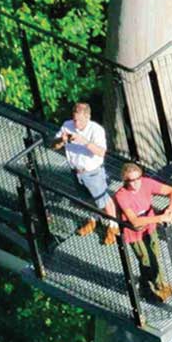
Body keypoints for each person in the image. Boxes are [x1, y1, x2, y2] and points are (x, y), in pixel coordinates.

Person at [112, 163, 172, 302]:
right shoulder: (122, 195)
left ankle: (145, 285)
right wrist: (161, 217)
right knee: (147, 259)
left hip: (150, 228)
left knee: (153, 255)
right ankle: (160, 286)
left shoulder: (146, 183)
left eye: (138, 178)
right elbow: (135, 221)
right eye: (132, 180)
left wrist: (170, 209)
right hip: (134, 233)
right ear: (125, 181)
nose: (136, 183)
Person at [53, 103, 119, 245]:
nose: (76, 124)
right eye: (75, 120)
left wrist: (84, 142)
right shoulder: (67, 125)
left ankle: (113, 226)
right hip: (76, 170)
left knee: (103, 199)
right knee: (85, 198)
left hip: (92, 171)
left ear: (87, 117)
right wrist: (61, 140)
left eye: (80, 121)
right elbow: (54, 145)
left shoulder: (96, 130)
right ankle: (93, 219)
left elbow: (101, 152)